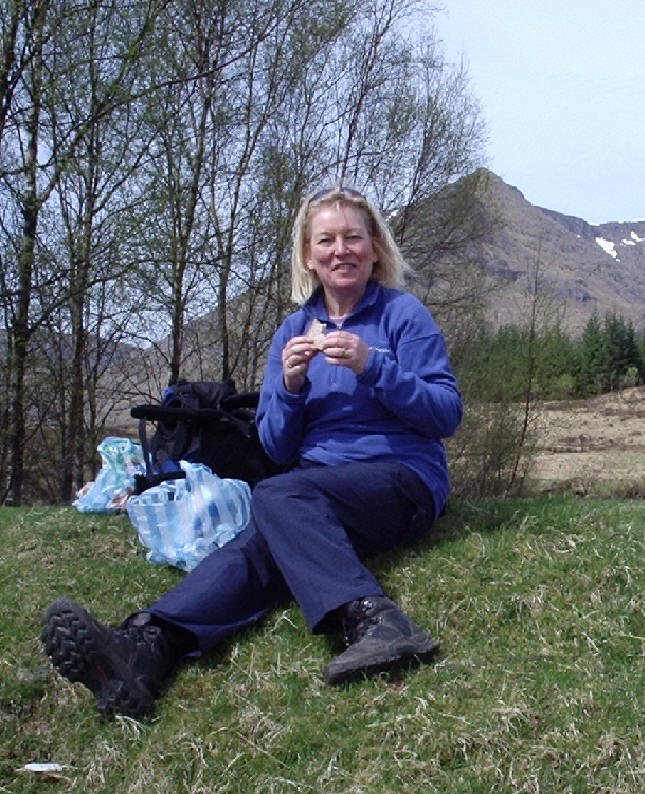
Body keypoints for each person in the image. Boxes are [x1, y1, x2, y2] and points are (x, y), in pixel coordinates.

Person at [41, 184, 463, 718]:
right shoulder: (293, 330)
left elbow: (445, 414)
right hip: (311, 492)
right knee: (249, 550)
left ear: (375, 248)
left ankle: (374, 618)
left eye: (353, 238)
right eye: (326, 240)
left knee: (279, 496)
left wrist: (373, 366)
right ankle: (146, 648)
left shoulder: (403, 316)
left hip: (401, 479)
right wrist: (288, 388)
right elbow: (276, 445)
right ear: (308, 257)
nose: (341, 251)